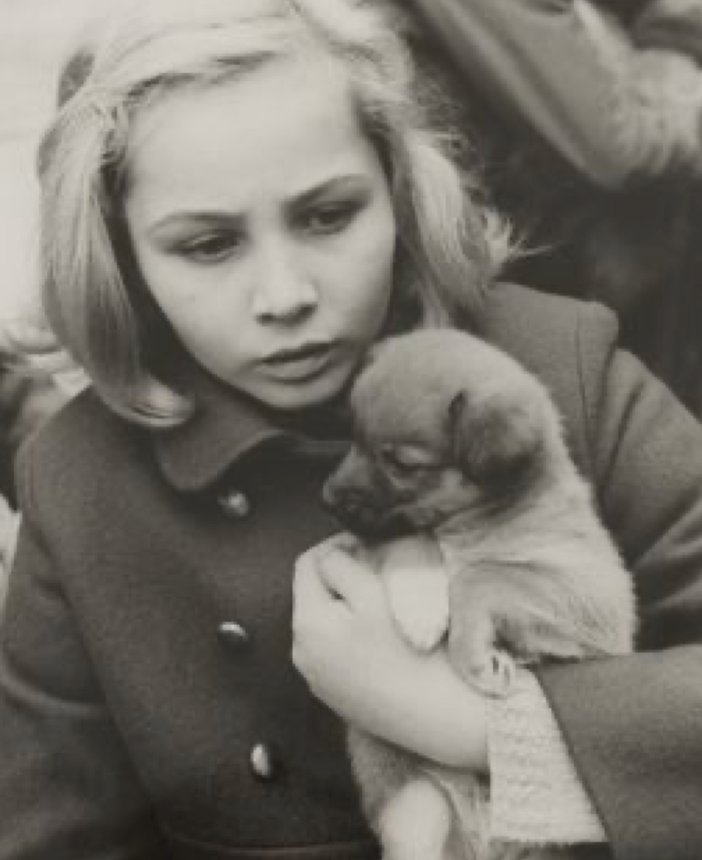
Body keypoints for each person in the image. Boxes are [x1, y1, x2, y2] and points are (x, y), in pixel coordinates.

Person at [0, 1, 700, 858]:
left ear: (401, 192)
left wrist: (482, 729)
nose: (287, 294)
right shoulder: (81, 483)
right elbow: (52, 832)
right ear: (120, 254)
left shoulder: (557, 371)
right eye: (209, 245)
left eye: (329, 215)